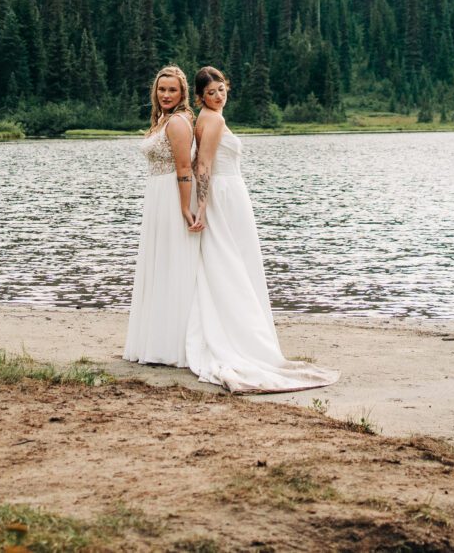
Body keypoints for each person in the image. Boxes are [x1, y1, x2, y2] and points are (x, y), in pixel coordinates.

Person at [184, 65, 338, 393]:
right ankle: (244, 338)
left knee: (228, 262)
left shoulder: (203, 120)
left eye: (222, 89)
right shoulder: (215, 120)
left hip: (225, 193)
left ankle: (235, 327)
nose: (218, 95)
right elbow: (205, 166)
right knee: (236, 262)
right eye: (211, 92)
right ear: (200, 98)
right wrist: (203, 206)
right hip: (226, 195)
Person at [123, 64, 204, 366]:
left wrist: (185, 206)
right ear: (155, 92)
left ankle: (173, 345)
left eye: (172, 90)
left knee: (173, 263)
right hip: (157, 196)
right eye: (162, 89)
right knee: (159, 264)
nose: (166, 94)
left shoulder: (178, 123)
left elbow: (184, 168)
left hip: (172, 196)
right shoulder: (162, 120)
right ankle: (154, 340)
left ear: (183, 93)